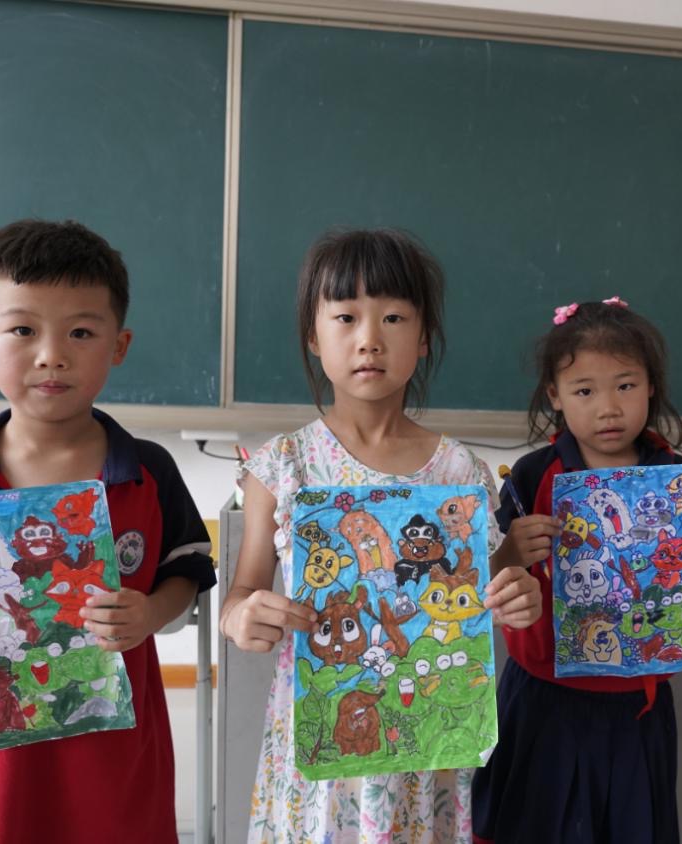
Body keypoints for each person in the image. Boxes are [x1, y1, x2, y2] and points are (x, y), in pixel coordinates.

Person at [0, 219, 217, 843]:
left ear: (119, 344)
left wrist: (150, 612)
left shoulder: (148, 472)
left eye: (81, 332)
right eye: (23, 330)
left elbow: (186, 573)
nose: (51, 354)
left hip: (111, 751)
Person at [219, 227, 543, 843]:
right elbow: (240, 595)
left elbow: (481, 594)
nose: (369, 338)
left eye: (393, 317)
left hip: (424, 742)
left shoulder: (460, 473)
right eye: (346, 317)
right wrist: (241, 618)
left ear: (423, 340)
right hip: (322, 743)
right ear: (314, 336)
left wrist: (516, 595)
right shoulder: (283, 466)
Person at [472, 298, 682, 843]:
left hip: (635, 706)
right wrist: (511, 553)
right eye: (584, 391)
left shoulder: (676, 480)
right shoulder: (532, 475)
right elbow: (489, 584)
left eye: (625, 385)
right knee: (533, 824)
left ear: (651, 386)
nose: (608, 408)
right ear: (555, 395)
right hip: (542, 700)